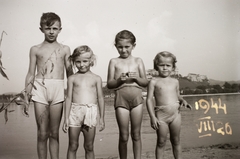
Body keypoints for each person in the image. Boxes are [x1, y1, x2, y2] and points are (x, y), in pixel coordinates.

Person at [24, 12, 73, 159]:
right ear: (41, 29)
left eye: (55, 28)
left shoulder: (65, 49)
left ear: (60, 29)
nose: (51, 32)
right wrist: (26, 94)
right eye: (48, 28)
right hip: (40, 90)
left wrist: (73, 95)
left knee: (54, 133)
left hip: (58, 90)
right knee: (42, 133)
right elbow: (31, 73)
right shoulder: (35, 49)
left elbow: (70, 74)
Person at [107, 30, 148, 159]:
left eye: (127, 47)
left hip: (137, 97)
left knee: (136, 134)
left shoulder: (138, 61)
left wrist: (136, 78)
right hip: (121, 98)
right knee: (124, 136)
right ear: (116, 46)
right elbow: (109, 84)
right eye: (120, 47)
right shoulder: (114, 61)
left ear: (133, 46)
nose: (123, 50)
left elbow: (145, 82)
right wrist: (120, 80)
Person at [146, 51, 192, 159]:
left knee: (176, 140)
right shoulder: (153, 82)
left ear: (173, 67)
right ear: (156, 66)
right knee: (161, 142)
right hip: (161, 116)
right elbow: (148, 100)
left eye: (168, 65)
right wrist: (152, 117)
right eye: (162, 65)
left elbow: (178, 96)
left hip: (176, 115)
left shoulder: (175, 81)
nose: (165, 68)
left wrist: (183, 101)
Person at [62, 45, 105, 159]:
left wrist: (102, 118)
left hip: (91, 112)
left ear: (91, 60)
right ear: (74, 62)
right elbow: (69, 98)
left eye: (85, 61)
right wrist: (66, 118)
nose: (82, 65)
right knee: (73, 145)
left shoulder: (97, 78)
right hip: (75, 112)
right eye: (78, 62)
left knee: (89, 146)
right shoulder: (72, 78)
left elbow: (100, 98)